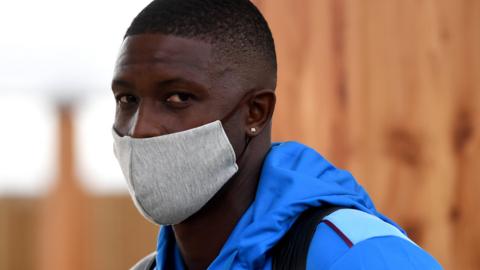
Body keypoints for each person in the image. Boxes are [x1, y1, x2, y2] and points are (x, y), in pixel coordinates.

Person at [110, 0, 442, 269]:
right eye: (128, 100)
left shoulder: (360, 257)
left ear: (256, 112)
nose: (141, 129)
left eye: (178, 98)